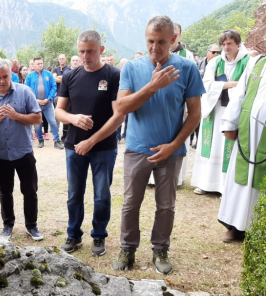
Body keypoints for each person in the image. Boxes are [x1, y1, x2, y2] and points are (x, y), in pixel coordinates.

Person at [112, 15, 205, 274]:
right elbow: (121, 107)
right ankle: (127, 248)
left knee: (166, 205)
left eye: (161, 42)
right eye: (150, 41)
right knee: (131, 203)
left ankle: (160, 249)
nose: (155, 47)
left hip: (171, 152)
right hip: (137, 149)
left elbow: (195, 114)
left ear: (174, 40)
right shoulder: (131, 68)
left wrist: (174, 145)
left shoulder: (186, 68)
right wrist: (152, 87)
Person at [55, 31, 124, 256]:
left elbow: (118, 116)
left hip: (103, 147)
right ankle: (73, 235)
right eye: (81, 51)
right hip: (74, 146)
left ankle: (99, 236)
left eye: (90, 51)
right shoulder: (70, 76)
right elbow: (58, 111)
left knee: (102, 194)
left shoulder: (114, 75)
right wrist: (74, 118)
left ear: (101, 50)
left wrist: (92, 140)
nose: (85, 56)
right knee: (74, 193)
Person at [0, 58, 43, 241]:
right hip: (0, 153)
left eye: (5, 76)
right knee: (5, 192)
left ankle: (32, 226)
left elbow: (38, 118)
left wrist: (17, 116)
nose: (2, 81)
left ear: (11, 74)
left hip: (23, 151)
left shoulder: (24, 92)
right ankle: (7, 226)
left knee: (30, 191)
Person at [191, 29, 250, 195]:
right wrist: (227, 85)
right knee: (211, 145)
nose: (226, 47)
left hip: (233, 111)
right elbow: (206, 84)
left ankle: (226, 186)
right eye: (223, 44)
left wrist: (233, 86)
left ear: (238, 43)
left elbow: (247, 85)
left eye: (229, 44)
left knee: (227, 145)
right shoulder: (215, 62)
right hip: (214, 109)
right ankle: (205, 182)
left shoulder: (247, 62)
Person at [218, 54, 266, 242]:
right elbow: (240, 93)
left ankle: (258, 229)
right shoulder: (257, 62)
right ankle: (236, 226)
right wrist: (230, 123)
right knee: (241, 180)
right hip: (249, 132)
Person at [25, 57, 64, 149]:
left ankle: (56, 141)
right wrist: (35, 100)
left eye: (41, 63)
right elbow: (27, 90)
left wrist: (48, 98)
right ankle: (40, 140)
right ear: (33, 65)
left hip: (47, 104)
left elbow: (54, 87)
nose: (40, 65)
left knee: (53, 122)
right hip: (35, 104)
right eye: (38, 64)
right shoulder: (29, 76)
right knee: (38, 124)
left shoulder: (48, 74)